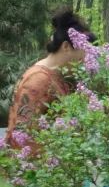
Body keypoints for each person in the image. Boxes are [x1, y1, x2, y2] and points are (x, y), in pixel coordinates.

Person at [6, 9, 94, 152]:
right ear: (66, 47)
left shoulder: (57, 77)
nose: (85, 60)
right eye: (83, 54)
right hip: (32, 169)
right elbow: (23, 135)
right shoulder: (38, 80)